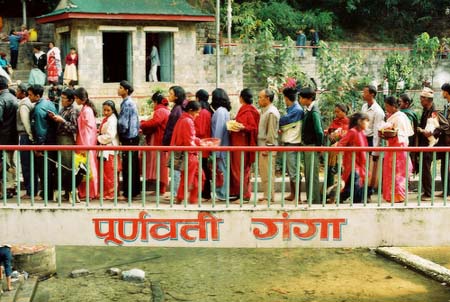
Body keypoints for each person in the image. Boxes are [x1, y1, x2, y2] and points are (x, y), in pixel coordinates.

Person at [417, 87, 449, 200]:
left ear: (429, 100)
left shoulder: (434, 113)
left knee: (426, 166)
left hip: (433, 144)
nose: (420, 100)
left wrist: (433, 132)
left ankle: (429, 193)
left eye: (423, 98)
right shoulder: (426, 111)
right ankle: (430, 192)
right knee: (425, 166)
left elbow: (445, 125)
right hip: (427, 144)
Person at [380, 96, 414, 203]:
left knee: (397, 173)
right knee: (392, 173)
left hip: (398, 147)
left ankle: (398, 196)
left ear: (393, 106)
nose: (386, 108)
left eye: (387, 106)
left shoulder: (399, 117)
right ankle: (391, 195)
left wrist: (387, 133)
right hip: (393, 147)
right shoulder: (395, 116)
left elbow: (400, 134)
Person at [229, 88, 260, 201]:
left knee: (241, 169)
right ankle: (240, 193)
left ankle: (244, 195)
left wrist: (242, 127)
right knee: (241, 169)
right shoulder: (247, 109)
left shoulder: (249, 111)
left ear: (241, 98)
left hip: (242, 144)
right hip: (240, 143)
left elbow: (252, 127)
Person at [170, 101, 203, 204]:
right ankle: (185, 198)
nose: (197, 115)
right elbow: (189, 140)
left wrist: (199, 142)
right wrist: (200, 145)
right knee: (190, 177)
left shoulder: (183, 120)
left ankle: (188, 198)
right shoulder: (188, 121)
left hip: (185, 153)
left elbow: (189, 138)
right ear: (191, 111)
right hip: (189, 154)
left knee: (194, 176)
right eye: (197, 113)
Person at [28, 84, 57, 201]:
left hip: (44, 143)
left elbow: (40, 130)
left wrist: (39, 147)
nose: (28, 97)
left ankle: (47, 194)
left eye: (30, 95)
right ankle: (49, 192)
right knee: (49, 169)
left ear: (37, 96)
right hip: (52, 141)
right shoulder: (48, 103)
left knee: (44, 169)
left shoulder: (38, 110)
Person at [49, 89, 79, 201]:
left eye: (64, 98)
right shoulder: (62, 109)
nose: (62, 100)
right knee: (61, 166)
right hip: (60, 138)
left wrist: (62, 121)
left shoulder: (73, 111)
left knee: (67, 166)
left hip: (67, 139)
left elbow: (74, 128)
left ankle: (69, 190)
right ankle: (66, 190)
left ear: (71, 100)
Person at [140, 92, 170, 195]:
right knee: (161, 165)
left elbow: (154, 122)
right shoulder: (165, 110)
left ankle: (161, 189)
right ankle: (160, 188)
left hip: (158, 141)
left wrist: (142, 124)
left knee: (160, 165)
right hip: (161, 141)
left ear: (156, 102)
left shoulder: (160, 111)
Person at [337, 113, 369, 203]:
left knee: (351, 186)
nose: (368, 124)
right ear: (359, 121)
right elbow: (341, 144)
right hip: (353, 164)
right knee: (356, 186)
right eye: (366, 121)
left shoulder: (361, 132)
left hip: (359, 164)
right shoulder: (353, 132)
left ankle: (336, 198)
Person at [73, 87, 99, 200]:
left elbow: (88, 129)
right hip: (83, 141)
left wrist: (85, 145)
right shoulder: (85, 109)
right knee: (83, 166)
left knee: (88, 166)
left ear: (79, 98)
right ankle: (85, 192)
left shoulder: (87, 110)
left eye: (75, 98)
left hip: (86, 141)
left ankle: (90, 192)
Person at [299, 87, 324, 203]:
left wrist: (319, 147)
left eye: (302, 98)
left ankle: (314, 199)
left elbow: (319, 131)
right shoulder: (309, 109)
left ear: (309, 99)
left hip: (312, 145)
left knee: (312, 174)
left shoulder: (314, 111)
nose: (300, 100)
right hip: (309, 145)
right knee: (308, 173)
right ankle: (310, 197)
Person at [279, 87, 303, 202]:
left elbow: (283, 121)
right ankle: (293, 194)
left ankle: (297, 196)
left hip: (293, 143)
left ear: (287, 98)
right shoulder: (292, 108)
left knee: (293, 171)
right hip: (289, 142)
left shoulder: (296, 110)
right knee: (291, 171)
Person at [118, 81, 141, 201]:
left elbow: (123, 123)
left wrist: (119, 133)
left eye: (121, 88)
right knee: (133, 165)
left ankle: (128, 192)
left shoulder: (127, 104)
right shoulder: (131, 102)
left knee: (128, 166)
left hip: (128, 138)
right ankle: (135, 190)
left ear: (126, 90)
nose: (118, 89)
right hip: (134, 137)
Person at [361, 85, 385, 198]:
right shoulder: (364, 107)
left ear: (372, 94)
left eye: (365, 92)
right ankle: (361, 190)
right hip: (363, 138)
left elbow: (376, 132)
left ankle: (369, 191)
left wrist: (375, 150)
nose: (363, 94)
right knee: (362, 166)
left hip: (371, 140)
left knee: (371, 168)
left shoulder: (378, 111)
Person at [162, 86, 186, 196]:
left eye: (171, 94)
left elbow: (171, 128)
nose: (169, 95)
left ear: (176, 96)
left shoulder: (177, 110)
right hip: (178, 142)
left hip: (175, 142)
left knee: (175, 169)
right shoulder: (179, 108)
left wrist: (166, 142)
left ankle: (175, 193)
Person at [257, 89, 280, 203]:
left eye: (261, 97)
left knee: (268, 172)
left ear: (267, 99)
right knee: (264, 172)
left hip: (267, 146)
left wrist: (268, 146)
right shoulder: (264, 111)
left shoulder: (271, 113)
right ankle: (267, 194)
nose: (259, 100)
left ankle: (269, 197)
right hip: (262, 145)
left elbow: (271, 132)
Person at [16, 84, 37, 199]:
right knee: (29, 164)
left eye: (18, 90)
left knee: (26, 164)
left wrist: (30, 136)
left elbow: (26, 123)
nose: (16, 92)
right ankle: (32, 190)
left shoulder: (23, 104)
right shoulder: (27, 103)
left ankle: (30, 191)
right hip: (26, 136)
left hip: (25, 136)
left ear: (22, 92)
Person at [324, 104, 350, 200]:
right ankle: (329, 194)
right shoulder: (335, 121)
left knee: (340, 172)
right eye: (335, 111)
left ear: (344, 112)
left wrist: (339, 138)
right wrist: (330, 134)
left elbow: (347, 136)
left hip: (342, 152)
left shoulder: (348, 122)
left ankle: (338, 195)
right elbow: (330, 132)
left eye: (338, 112)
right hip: (332, 151)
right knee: (331, 171)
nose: (336, 114)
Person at [211, 88, 232, 201]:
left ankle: (222, 193)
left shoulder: (219, 111)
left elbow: (218, 131)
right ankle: (222, 192)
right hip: (224, 145)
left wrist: (216, 149)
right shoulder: (224, 111)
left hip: (220, 146)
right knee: (223, 170)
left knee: (221, 170)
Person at [98, 100, 120, 200]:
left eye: (108, 110)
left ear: (112, 110)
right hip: (106, 148)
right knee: (107, 173)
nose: (106, 112)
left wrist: (98, 138)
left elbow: (110, 136)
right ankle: (108, 193)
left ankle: (111, 194)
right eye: (104, 110)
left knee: (110, 172)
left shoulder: (112, 120)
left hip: (110, 148)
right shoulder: (108, 118)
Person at [0, 76, 18, 199]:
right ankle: (12, 186)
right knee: (11, 162)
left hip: (2, 137)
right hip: (13, 136)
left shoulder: (1, 100)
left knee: (3, 163)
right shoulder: (14, 98)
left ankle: (5, 188)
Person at [193, 89, 213, 200]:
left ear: (197, 98)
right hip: (205, 144)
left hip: (200, 144)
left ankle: (205, 193)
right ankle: (204, 192)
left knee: (202, 169)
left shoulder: (201, 112)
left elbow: (199, 130)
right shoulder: (207, 111)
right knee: (203, 168)